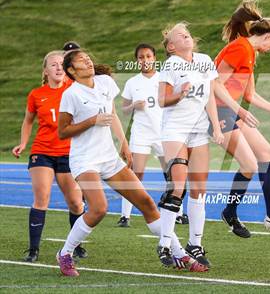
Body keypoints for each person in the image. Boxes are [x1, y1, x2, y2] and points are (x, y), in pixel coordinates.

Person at [56, 49, 206, 276]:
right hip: (85, 160)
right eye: (81, 60)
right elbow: (63, 131)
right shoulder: (71, 94)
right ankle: (65, 254)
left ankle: (179, 252)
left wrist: (124, 143)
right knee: (98, 209)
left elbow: (113, 113)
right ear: (71, 70)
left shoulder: (105, 82)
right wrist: (91, 120)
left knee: (146, 203)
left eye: (88, 57)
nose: (88, 60)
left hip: (109, 158)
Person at [213, 0, 270, 238]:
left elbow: (250, 94)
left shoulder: (248, 52)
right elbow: (215, 86)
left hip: (229, 110)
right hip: (215, 111)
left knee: (266, 153)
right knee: (249, 165)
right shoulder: (239, 48)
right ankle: (229, 212)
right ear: (267, 37)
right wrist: (240, 111)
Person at [157, 22, 224, 268]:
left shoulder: (205, 60)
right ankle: (165, 242)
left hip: (198, 131)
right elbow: (163, 100)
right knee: (178, 185)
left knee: (199, 188)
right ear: (172, 46)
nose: (187, 36)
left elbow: (210, 98)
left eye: (187, 33)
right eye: (180, 35)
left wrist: (216, 127)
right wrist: (180, 94)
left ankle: (195, 243)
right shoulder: (170, 64)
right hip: (175, 129)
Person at [12, 50, 87, 262]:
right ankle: (33, 249)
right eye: (53, 64)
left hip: (68, 153)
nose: (58, 67)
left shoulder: (74, 89)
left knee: (75, 203)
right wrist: (23, 143)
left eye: (60, 64)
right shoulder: (36, 94)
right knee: (42, 198)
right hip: (42, 151)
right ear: (45, 70)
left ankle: (76, 244)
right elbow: (28, 121)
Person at [117, 43, 188, 228]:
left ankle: (178, 213)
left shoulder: (163, 79)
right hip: (141, 134)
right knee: (135, 174)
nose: (145, 60)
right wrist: (133, 106)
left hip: (163, 133)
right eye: (141, 57)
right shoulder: (132, 82)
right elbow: (123, 110)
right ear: (137, 60)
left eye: (148, 56)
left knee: (172, 174)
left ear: (154, 58)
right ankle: (125, 216)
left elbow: (174, 101)